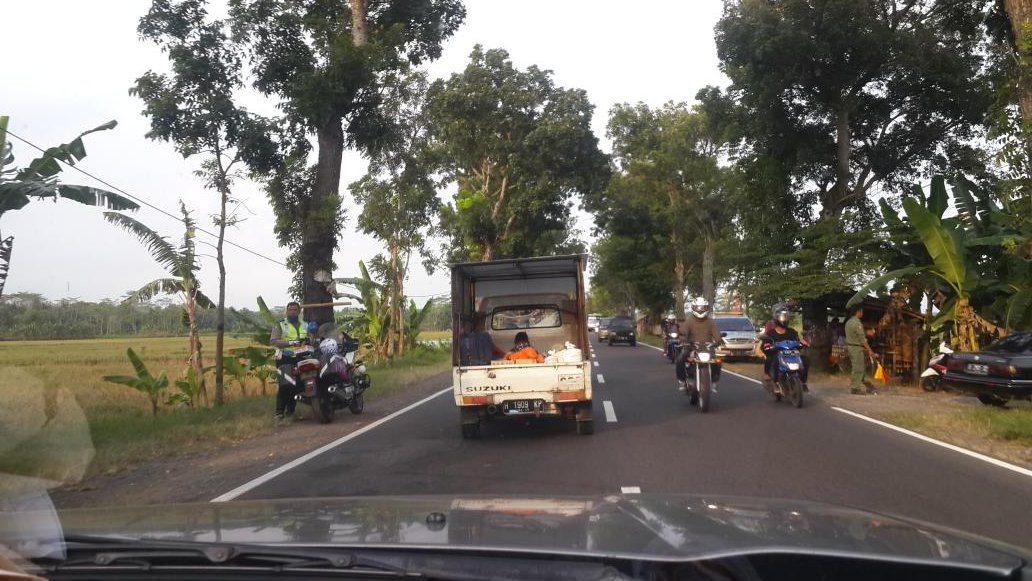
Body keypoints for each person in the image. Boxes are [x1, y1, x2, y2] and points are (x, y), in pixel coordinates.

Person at [270, 301, 308, 421]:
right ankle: (279, 412)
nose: (292, 312)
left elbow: (311, 338)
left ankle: (291, 411)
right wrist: (289, 343)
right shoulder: (280, 324)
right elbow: (274, 341)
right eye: (290, 310)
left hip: (300, 357)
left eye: (295, 310)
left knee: (297, 385)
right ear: (286, 311)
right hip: (285, 357)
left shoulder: (305, 325)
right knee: (285, 385)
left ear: (299, 311)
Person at [675, 297, 723, 392]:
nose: (700, 310)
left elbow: (717, 334)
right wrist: (684, 338)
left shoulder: (711, 322)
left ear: (706, 308)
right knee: (680, 359)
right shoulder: (689, 321)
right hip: (691, 346)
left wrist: (718, 340)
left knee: (717, 362)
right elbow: (683, 332)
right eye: (698, 307)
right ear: (694, 308)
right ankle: (682, 381)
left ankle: (713, 382)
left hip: (707, 348)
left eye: (702, 307)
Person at [760, 304, 809, 391]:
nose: (785, 319)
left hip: (792, 354)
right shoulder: (770, 333)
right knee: (773, 360)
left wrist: (802, 343)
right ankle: (775, 382)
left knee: (805, 359)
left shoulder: (792, 332)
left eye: (786, 316)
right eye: (783, 316)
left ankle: (803, 382)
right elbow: (765, 346)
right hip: (777, 355)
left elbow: (798, 342)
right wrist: (767, 346)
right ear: (776, 318)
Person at [845, 304, 878, 395]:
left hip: (851, 346)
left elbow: (856, 334)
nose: (862, 313)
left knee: (860, 368)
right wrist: (870, 350)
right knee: (858, 369)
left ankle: (869, 386)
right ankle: (855, 388)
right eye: (861, 311)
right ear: (858, 312)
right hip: (856, 348)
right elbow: (862, 339)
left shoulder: (849, 322)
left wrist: (866, 333)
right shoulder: (857, 323)